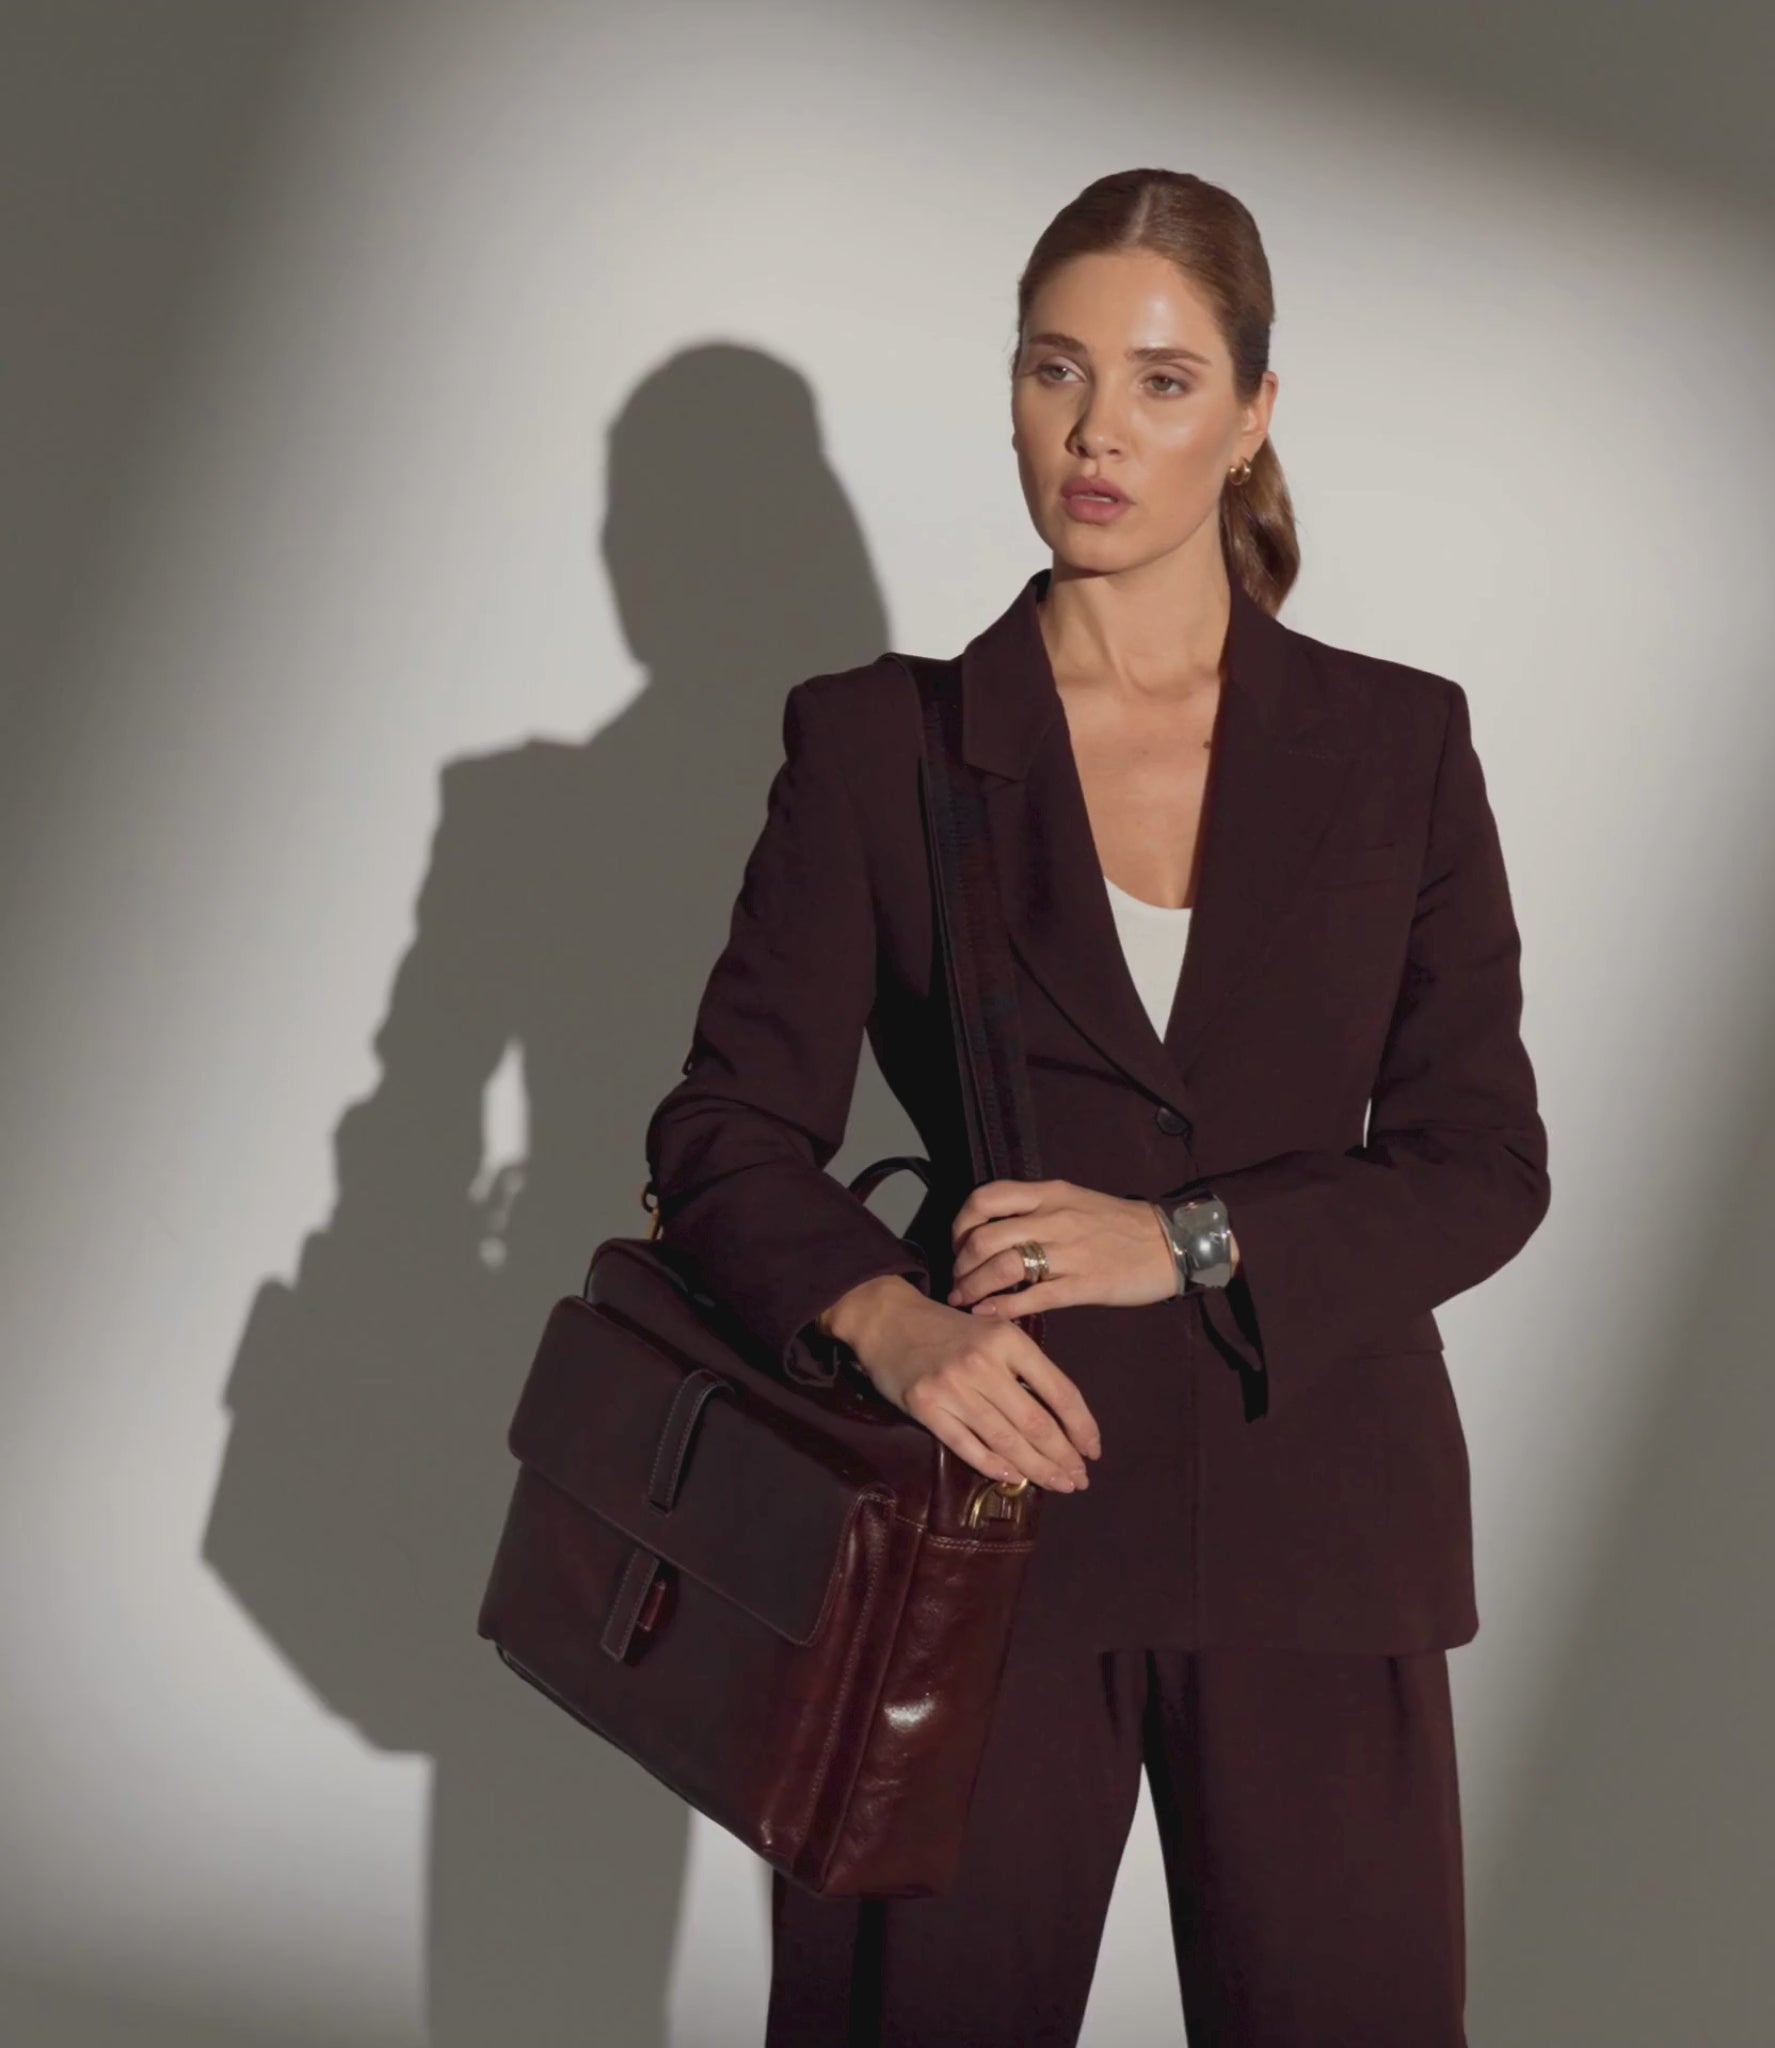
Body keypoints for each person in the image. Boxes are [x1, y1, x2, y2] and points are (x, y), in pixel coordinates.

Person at [643, 167, 1549, 2048]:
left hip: (1319, 1532)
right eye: (1056, 371)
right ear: (1010, 393)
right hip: (975, 1539)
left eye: (1160, 380)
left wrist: (1183, 1243)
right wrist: (890, 1324)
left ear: (1254, 415)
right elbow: (723, 1132)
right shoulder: (878, 744)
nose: (1096, 432)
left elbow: (1483, 1165)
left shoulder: (1399, 745)